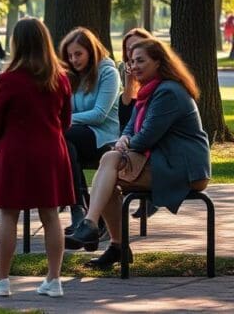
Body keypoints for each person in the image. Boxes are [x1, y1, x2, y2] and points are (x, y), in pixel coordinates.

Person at [66, 38, 211, 270]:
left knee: (109, 163)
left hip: (185, 169)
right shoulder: (148, 91)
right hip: (161, 162)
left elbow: (146, 136)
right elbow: (130, 127)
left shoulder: (168, 92)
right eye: (132, 61)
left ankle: (92, 226)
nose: (134, 67)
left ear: (159, 62)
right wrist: (124, 139)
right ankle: (115, 245)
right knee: (108, 173)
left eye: (141, 61)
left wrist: (125, 143)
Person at [0, 18, 74, 298]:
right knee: (51, 215)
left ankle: (1, 279)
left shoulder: (9, 79)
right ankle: (54, 279)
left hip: (16, 151)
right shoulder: (61, 79)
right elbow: (65, 120)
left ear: (17, 43)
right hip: (51, 152)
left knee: (8, 215)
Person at [58, 27, 120, 234]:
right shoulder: (74, 77)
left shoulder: (109, 73)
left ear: (91, 51)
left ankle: (82, 213)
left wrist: (62, 121)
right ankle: (85, 214)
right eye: (70, 55)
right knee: (65, 146)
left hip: (104, 137)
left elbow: (99, 114)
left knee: (63, 137)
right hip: (80, 137)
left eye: (78, 54)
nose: (74, 60)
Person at [118, 27, 158, 219]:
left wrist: (126, 144)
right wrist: (129, 82)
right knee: (109, 164)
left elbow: (149, 131)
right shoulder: (127, 70)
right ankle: (97, 225)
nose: (130, 52)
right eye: (128, 49)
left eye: (134, 47)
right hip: (132, 133)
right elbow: (127, 114)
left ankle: (103, 227)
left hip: (148, 142)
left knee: (109, 167)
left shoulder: (163, 89)